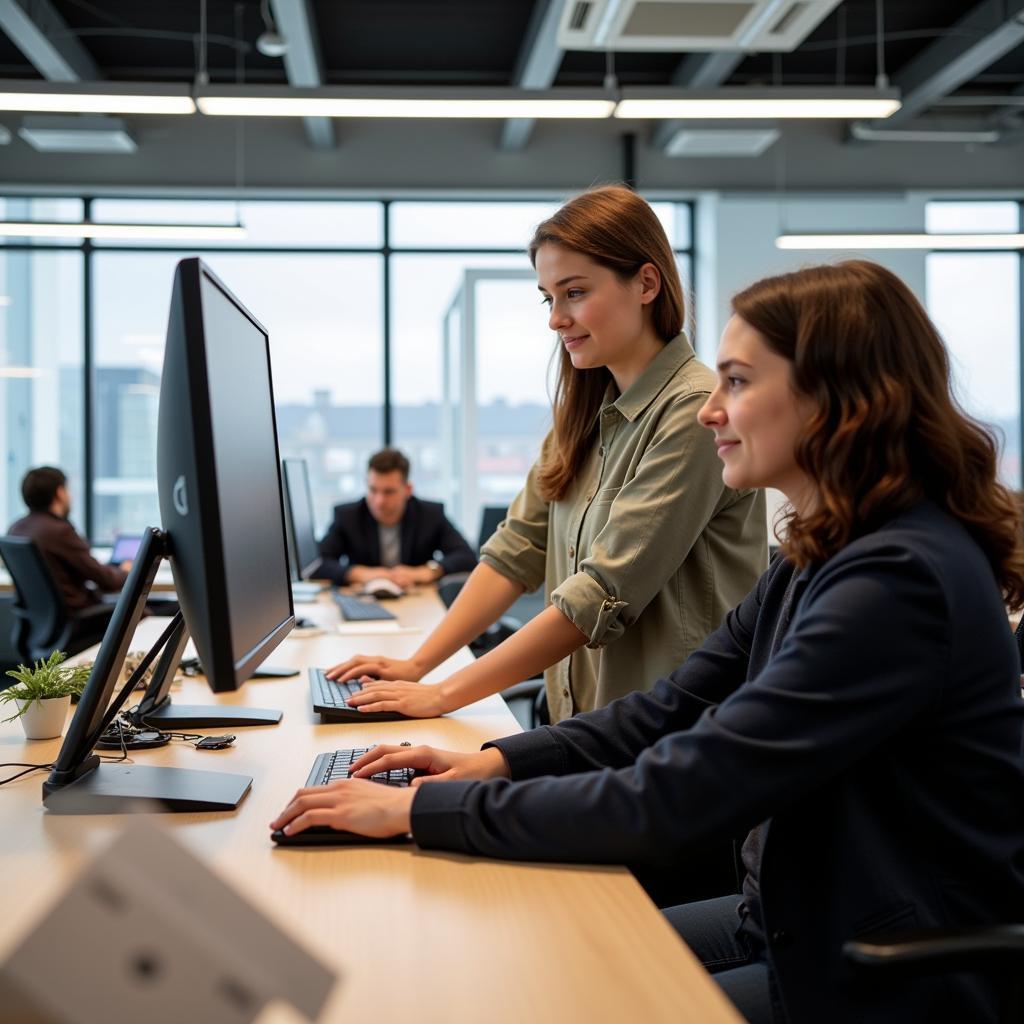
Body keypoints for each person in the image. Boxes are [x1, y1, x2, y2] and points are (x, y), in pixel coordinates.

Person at [272, 261, 1024, 1024]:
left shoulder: (897, 582)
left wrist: (423, 812)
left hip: (877, 972)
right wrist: (489, 760)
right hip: (790, 917)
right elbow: (666, 709)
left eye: (737, 382)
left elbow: (683, 790)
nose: (710, 410)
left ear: (837, 401)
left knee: (556, 999)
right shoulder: (819, 557)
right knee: (547, 951)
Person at [328, 186, 767, 722]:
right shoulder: (582, 416)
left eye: (575, 292)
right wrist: (418, 665)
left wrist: (443, 695)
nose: (556, 318)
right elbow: (516, 550)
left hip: (670, 740)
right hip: (586, 728)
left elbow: (600, 593)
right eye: (548, 297)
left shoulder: (693, 411)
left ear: (646, 283)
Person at [317, 447, 476, 589]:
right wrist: (360, 574)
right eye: (373, 490)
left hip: (416, 600)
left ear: (407, 490)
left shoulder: (430, 514)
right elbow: (317, 563)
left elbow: (466, 557)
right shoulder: (348, 515)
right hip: (362, 599)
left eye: (389, 492)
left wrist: (426, 572)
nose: (379, 501)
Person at [7, 466, 130, 610]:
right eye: (68, 490)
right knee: (145, 612)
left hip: (44, 620)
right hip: (78, 618)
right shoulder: (59, 531)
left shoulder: (15, 528)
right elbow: (107, 581)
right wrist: (126, 571)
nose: (70, 496)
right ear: (60, 493)